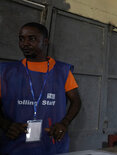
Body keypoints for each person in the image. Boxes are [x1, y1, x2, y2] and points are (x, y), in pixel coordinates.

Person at [0, 22, 82, 154]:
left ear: (45, 42)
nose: (25, 43)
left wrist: (64, 123)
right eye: (21, 39)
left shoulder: (62, 71)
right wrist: (5, 124)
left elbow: (76, 101)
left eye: (31, 39)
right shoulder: (6, 71)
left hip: (51, 145)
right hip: (14, 147)